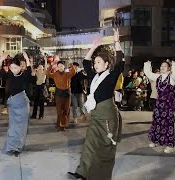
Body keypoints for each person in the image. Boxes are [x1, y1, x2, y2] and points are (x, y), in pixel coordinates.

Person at [68, 28, 123, 180]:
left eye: (99, 62)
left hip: (107, 118)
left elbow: (119, 63)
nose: (96, 64)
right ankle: (82, 173)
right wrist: (92, 48)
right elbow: (85, 62)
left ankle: (99, 177)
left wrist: (117, 42)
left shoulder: (110, 77)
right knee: (89, 145)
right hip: (96, 115)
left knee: (105, 149)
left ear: (106, 65)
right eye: (96, 62)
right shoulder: (94, 77)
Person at [144, 60, 175, 153]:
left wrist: (173, 64)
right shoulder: (158, 77)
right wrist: (148, 64)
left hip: (168, 105)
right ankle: (155, 141)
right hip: (158, 104)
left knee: (168, 124)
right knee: (157, 123)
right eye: (161, 66)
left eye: (164, 66)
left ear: (169, 69)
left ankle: (169, 145)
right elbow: (148, 73)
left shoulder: (172, 78)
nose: (162, 67)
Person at [0, 52, 32, 157]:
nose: (13, 70)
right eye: (11, 68)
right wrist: (1, 59)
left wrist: (27, 59)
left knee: (21, 127)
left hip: (22, 104)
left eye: (15, 68)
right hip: (12, 105)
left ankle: (18, 147)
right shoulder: (9, 75)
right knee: (12, 127)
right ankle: (11, 147)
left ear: (20, 67)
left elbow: (30, 72)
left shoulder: (24, 75)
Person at [46, 57, 76, 131]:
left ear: (64, 67)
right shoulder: (55, 74)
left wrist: (71, 63)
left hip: (67, 93)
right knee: (59, 110)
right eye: (58, 66)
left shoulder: (67, 74)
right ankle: (59, 124)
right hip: (59, 94)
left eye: (61, 66)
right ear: (57, 67)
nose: (60, 67)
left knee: (66, 110)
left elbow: (74, 72)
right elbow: (47, 73)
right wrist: (51, 65)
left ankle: (64, 124)